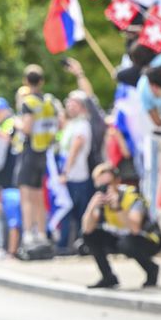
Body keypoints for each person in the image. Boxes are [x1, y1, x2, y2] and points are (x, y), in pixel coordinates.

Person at [82, 163, 161, 289]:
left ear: (117, 181)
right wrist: (90, 208)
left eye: (108, 184)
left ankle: (151, 269)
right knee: (91, 236)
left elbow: (135, 228)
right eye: (101, 186)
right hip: (122, 239)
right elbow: (87, 230)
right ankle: (108, 277)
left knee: (126, 243)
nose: (105, 189)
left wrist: (117, 207)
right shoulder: (101, 200)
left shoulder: (132, 196)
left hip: (148, 239)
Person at [15, 65, 63, 250]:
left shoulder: (29, 102)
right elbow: (60, 123)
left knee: (26, 195)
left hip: (30, 150)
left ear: (26, 81)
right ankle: (42, 233)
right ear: (41, 81)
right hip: (44, 151)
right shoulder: (50, 102)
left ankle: (28, 234)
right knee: (39, 195)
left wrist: (17, 123)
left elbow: (27, 128)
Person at [57, 91, 95, 254]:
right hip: (70, 174)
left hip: (77, 175)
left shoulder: (82, 125)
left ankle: (75, 244)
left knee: (76, 212)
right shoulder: (71, 124)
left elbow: (75, 148)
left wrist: (65, 171)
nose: (70, 106)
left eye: (75, 103)